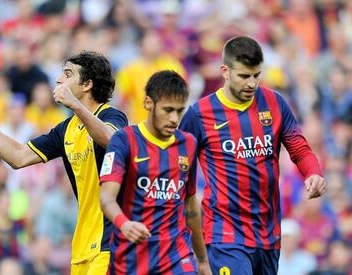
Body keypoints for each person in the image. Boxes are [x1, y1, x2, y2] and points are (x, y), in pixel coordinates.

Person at [0, 51, 128, 274]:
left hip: (110, 241)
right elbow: (18, 157)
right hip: (82, 243)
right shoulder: (65, 129)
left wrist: (76, 106)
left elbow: (112, 141)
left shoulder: (113, 116)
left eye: (67, 74)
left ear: (88, 84)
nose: (60, 80)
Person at [179, 36, 326, 274]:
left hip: (268, 233)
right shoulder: (199, 115)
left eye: (256, 75)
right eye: (244, 76)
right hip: (224, 234)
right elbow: (175, 165)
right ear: (225, 72)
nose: (252, 83)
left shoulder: (274, 103)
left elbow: (299, 147)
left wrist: (313, 173)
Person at [99, 70, 212, 274]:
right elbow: (106, 198)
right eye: (168, 110)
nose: (174, 119)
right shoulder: (124, 140)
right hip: (130, 258)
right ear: (148, 103)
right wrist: (124, 224)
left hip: (176, 256)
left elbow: (190, 203)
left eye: (179, 111)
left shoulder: (188, 143)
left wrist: (202, 260)